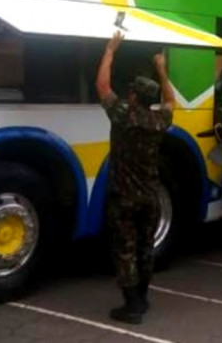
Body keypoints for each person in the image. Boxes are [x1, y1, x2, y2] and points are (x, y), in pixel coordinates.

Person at [96, 31, 174, 325]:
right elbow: (171, 100)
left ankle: (131, 306)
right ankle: (142, 297)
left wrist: (110, 50)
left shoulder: (123, 116)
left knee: (125, 249)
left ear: (133, 96)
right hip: (151, 196)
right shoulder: (159, 120)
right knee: (145, 248)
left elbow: (102, 86)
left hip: (125, 197)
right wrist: (162, 70)